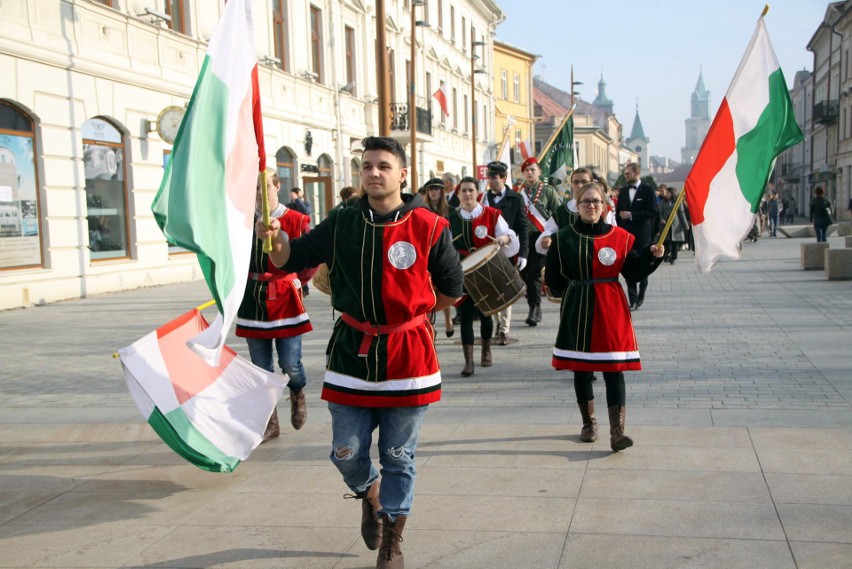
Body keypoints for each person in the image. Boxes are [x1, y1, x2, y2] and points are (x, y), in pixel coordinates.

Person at [255, 136, 463, 569]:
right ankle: (370, 495)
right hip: (352, 354)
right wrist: (272, 240)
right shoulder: (342, 221)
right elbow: (288, 259)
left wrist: (412, 317)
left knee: (399, 456)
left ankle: (392, 537)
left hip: (408, 357)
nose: (373, 172)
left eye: (383, 165)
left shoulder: (429, 226)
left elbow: (451, 290)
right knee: (345, 452)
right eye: (366, 166)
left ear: (402, 174)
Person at [545, 181, 664, 451]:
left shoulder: (619, 236)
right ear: (577, 205)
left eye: (596, 201)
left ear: (604, 205)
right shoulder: (563, 237)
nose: (591, 206)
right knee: (582, 368)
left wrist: (652, 256)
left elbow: (633, 272)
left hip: (611, 308)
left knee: (614, 370)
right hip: (578, 306)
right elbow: (554, 278)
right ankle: (589, 424)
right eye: (585, 201)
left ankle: (617, 431)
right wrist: (567, 290)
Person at [236, 169, 312, 442]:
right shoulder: (242, 222)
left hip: (285, 297)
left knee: (290, 363)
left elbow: (308, 262)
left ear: (277, 186)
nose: (259, 193)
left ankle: (297, 392)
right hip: (252, 298)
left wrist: (296, 282)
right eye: (254, 188)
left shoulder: (295, 219)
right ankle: (271, 420)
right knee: (260, 368)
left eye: (264, 186)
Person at [449, 176, 519, 376]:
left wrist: (503, 238)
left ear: (477, 193)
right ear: (459, 194)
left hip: (486, 270)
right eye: (464, 191)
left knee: (486, 313)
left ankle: (486, 351)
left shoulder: (491, 214)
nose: (468, 194)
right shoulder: (452, 219)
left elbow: (509, 236)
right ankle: (468, 361)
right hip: (463, 272)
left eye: (471, 190)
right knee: (466, 316)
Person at [481, 161, 528, 345]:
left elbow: (522, 227)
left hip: (509, 250)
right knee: (492, 290)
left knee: (506, 290)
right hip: (489, 251)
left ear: (504, 178)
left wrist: (523, 253)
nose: (491, 181)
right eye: (489, 177)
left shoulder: (515, 198)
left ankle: (503, 330)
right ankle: (497, 324)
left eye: (495, 177)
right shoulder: (483, 199)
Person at [517, 157, 564, 327]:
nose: (530, 173)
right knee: (525, 273)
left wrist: (551, 235)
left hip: (541, 237)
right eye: (527, 170)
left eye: (533, 170)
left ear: (539, 172)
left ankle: (534, 308)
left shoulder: (548, 192)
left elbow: (559, 214)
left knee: (534, 273)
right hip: (522, 238)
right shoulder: (518, 193)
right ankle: (534, 304)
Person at [616, 162, 659, 311]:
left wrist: (632, 215)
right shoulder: (623, 192)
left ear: (636, 173)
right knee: (628, 268)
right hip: (626, 236)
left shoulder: (647, 190)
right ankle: (632, 300)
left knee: (643, 268)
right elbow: (618, 214)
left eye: (628, 174)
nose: (626, 176)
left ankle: (641, 296)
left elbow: (653, 212)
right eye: (625, 174)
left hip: (643, 236)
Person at [423, 176, 455, 339]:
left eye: (436, 189)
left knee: (444, 288)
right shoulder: (422, 209)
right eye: (430, 189)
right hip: (427, 255)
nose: (433, 192)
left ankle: (448, 319)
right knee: (428, 289)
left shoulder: (451, 210)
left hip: (445, 254)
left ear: (442, 191)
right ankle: (429, 325)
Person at [658, 186, 689, 264]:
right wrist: (661, 219)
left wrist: (686, 225)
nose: (667, 194)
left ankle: (673, 257)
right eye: (666, 193)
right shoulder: (663, 202)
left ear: (672, 193)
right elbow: (660, 212)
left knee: (674, 243)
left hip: (675, 224)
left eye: (668, 193)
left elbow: (681, 213)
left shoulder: (677, 202)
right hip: (665, 224)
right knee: (667, 242)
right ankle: (666, 255)